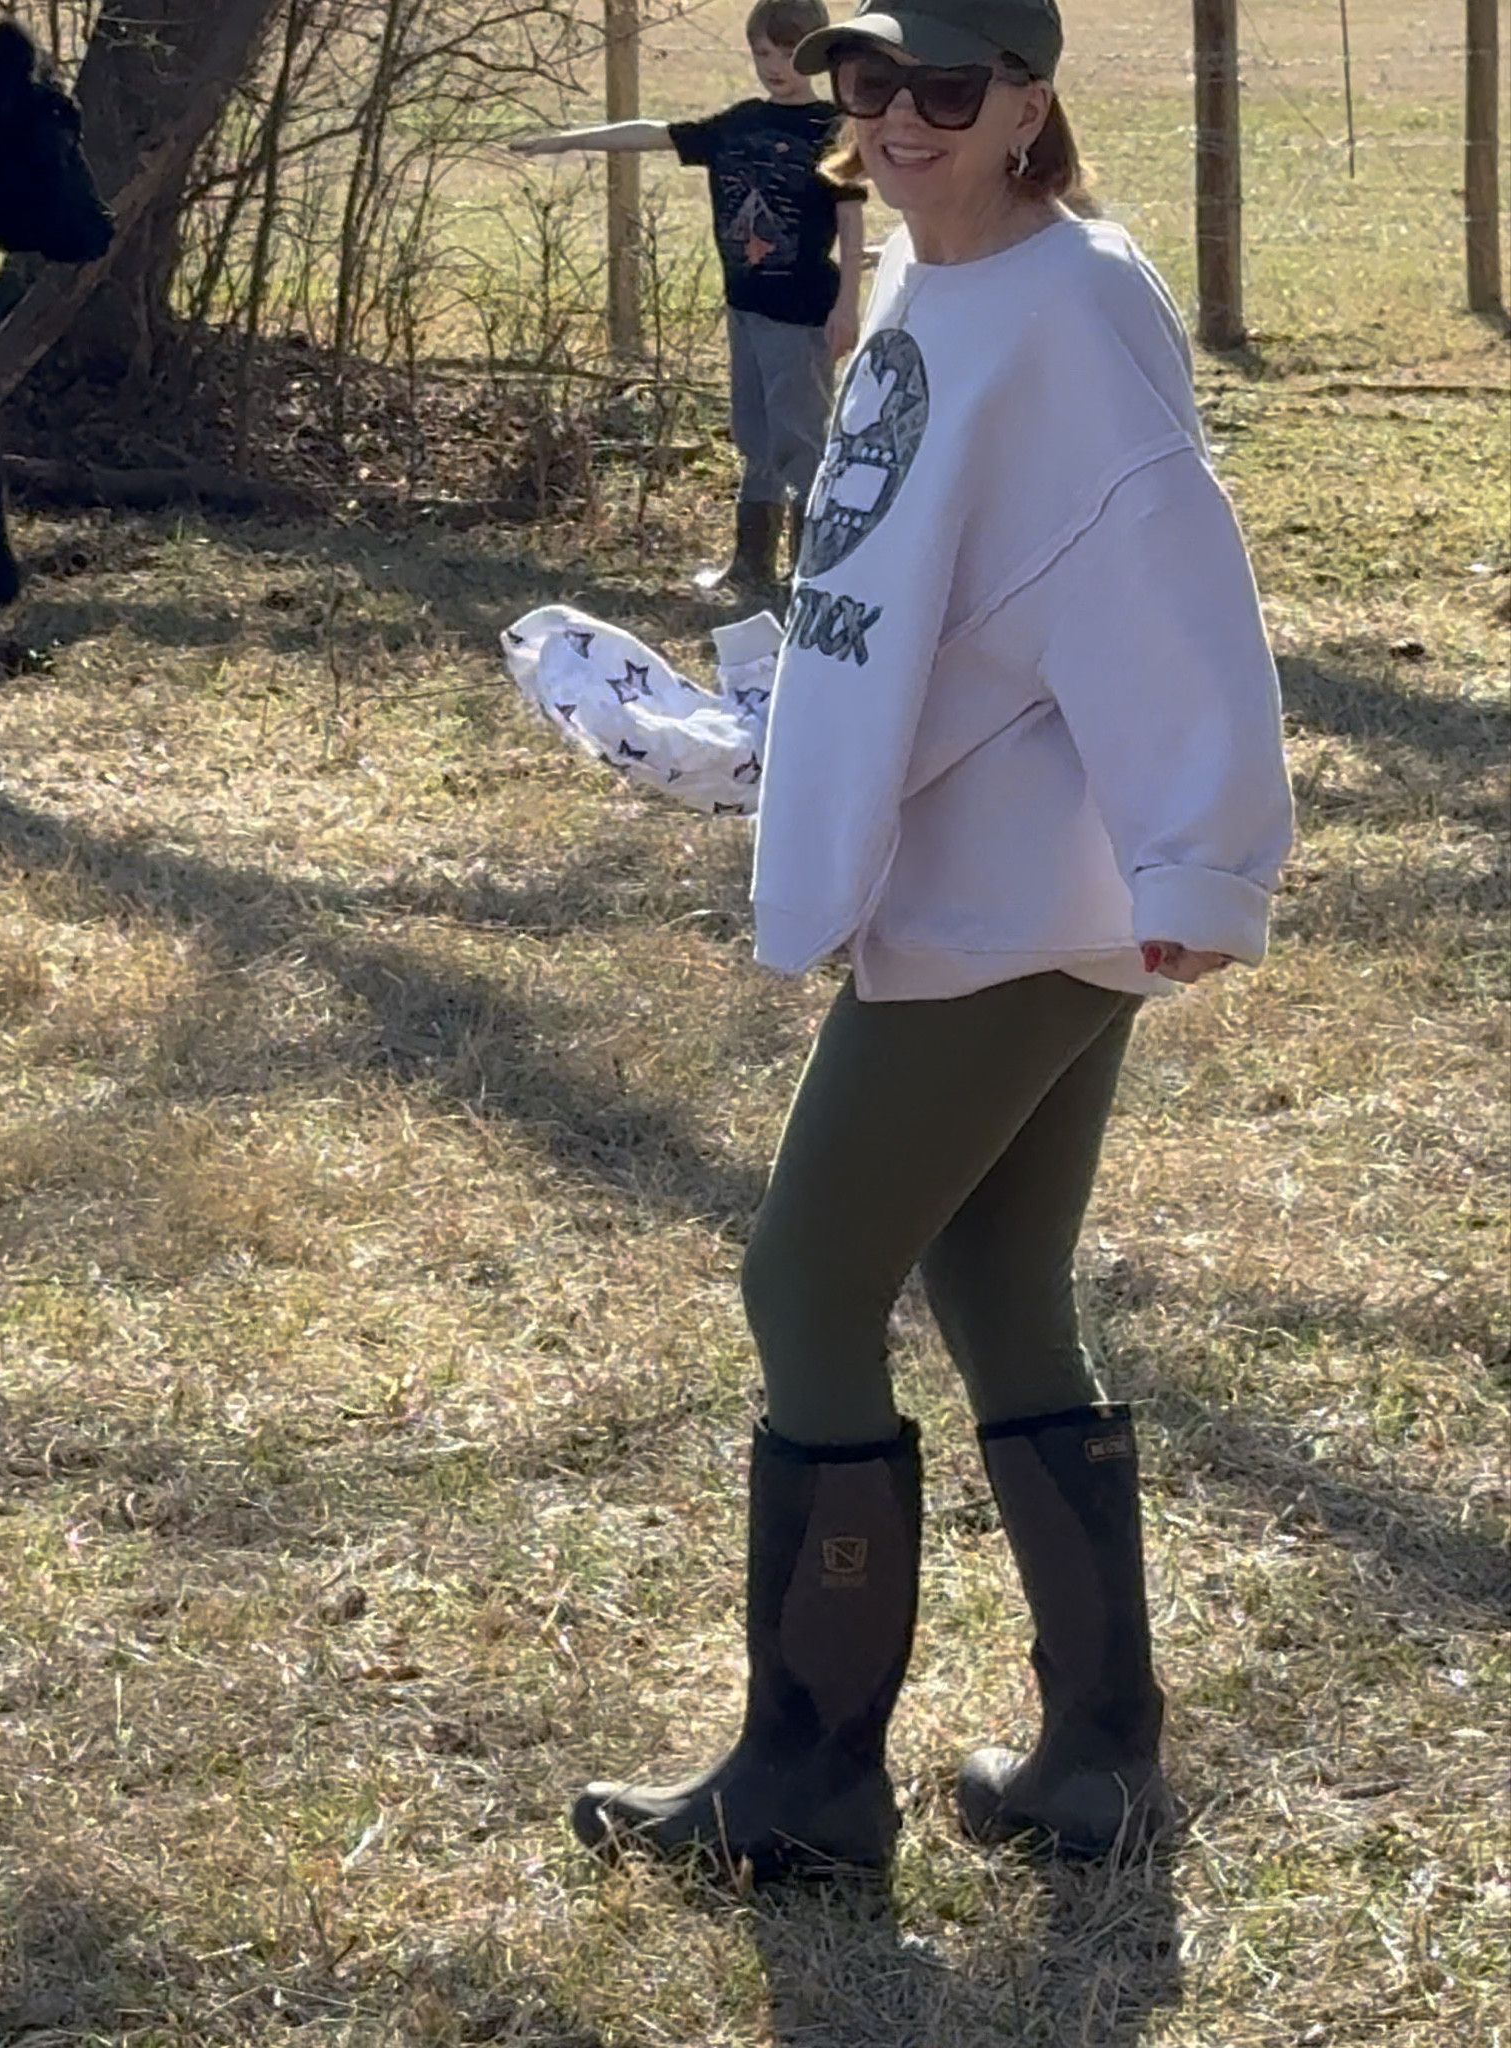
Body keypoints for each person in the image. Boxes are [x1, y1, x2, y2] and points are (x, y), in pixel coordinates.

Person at [568, 0, 1295, 1877]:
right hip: (1012, 876)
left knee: (802, 1283)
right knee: (993, 1283)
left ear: (1029, 104)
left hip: (1022, 903)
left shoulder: (1059, 311)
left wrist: (1202, 858)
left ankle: (807, 1778)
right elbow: (927, 568)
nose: (892, 119)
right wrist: (780, 720)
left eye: (941, 90)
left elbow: (1157, 558)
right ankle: (1098, 1754)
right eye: (862, 81)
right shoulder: (931, 275)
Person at [511, 0, 866, 591]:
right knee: (754, 434)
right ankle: (751, 563)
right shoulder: (739, 122)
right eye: (761, 53)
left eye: (787, 54)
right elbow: (651, 133)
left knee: (799, 440)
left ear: (816, 56)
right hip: (744, 308)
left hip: (802, 314)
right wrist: (562, 140)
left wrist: (847, 305)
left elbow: (852, 226)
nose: (773, 67)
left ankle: (813, 573)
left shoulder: (833, 130)